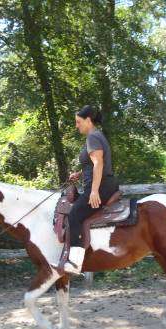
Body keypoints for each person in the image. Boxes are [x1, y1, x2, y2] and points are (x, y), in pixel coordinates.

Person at [58, 105, 119, 274]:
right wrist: (79, 173)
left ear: (88, 120)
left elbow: (99, 164)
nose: (76, 125)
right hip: (104, 184)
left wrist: (93, 191)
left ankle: (75, 262)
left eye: (78, 122)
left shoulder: (93, 137)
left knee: (74, 216)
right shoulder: (95, 136)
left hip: (101, 187)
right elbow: (94, 163)